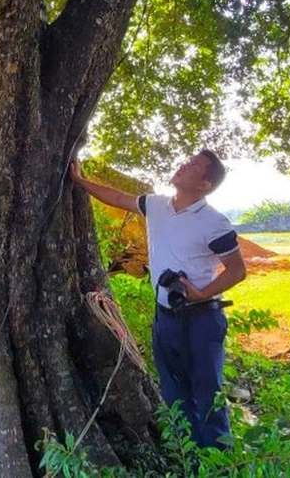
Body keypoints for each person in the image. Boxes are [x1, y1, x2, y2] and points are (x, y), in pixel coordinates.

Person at [69, 150, 246, 449]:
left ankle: (219, 463)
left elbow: (238, 269)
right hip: (166, 316)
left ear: (204, 184)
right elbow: (117, 197)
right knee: (174, 390)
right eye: (187, 160)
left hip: (202, 318)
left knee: (207, 393)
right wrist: (79, 181)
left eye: (193, 166)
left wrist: (202, 292)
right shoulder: (157, 205)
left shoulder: (214, 222)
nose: (183, 165)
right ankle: (188, 457)